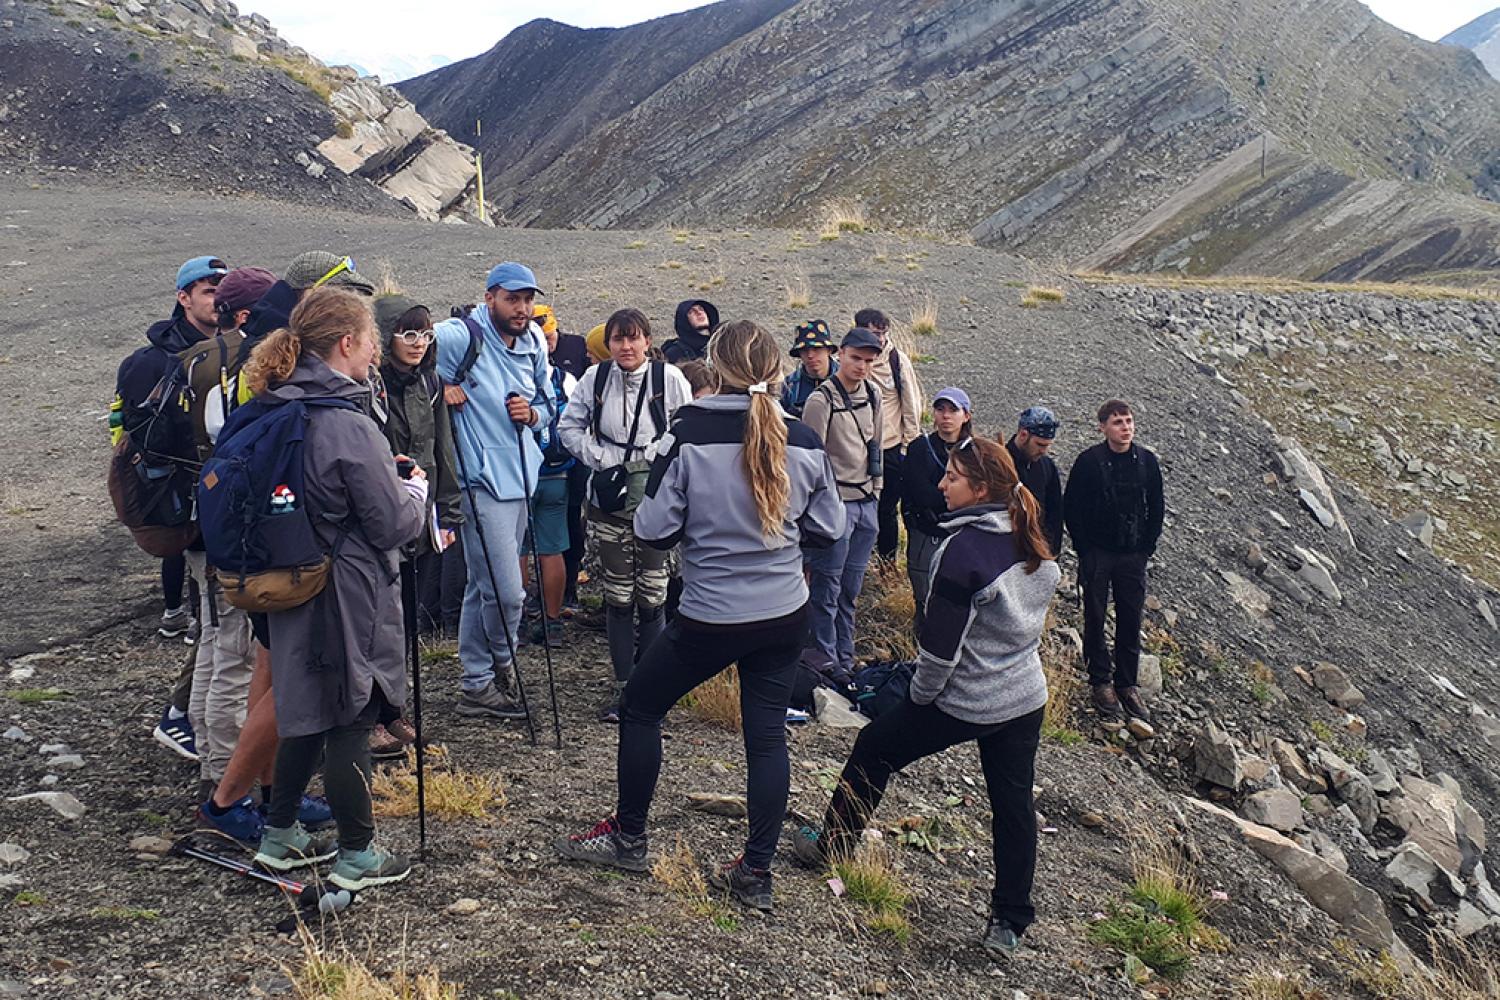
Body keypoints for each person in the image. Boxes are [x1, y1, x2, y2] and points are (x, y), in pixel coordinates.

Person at [555, 320, 845, 912]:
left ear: (715, 368)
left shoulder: (687, 432)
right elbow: (830, 528)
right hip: (783, 612)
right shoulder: (804, 440)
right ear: (775, 369)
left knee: (640, 707)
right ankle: (756, 873)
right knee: (766, 739)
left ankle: (630, 837)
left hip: (711, 613)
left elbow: (653, 528)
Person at [791, 437, 1058, 958]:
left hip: (968, 699)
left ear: (979, 489)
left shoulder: (963, 551)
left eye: (952, 478)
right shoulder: (1030, 532)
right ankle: (1009, 922)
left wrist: (918, 697)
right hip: (1025, 695)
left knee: (875, 747)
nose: (941, 484)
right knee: (1013, 805)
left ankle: (832, 845)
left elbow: (939, 650)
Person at [240, 287, 426, 887]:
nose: (376, 351)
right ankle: (357, 854)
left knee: (306, 705)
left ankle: (280, 832)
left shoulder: (278, 402)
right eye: (372, 339)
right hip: (348, 587)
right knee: (352, 711)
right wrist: (416, 493)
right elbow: (391, 523)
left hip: (291, 579)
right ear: (347, 342)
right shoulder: (345, 420)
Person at [113, 254, 229, 759]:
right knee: (214, 620)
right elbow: (148, 442)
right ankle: (183, 717)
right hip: (189, 506)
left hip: (216, 500)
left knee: (214, 618)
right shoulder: (151, 363)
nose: (216, 299)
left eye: (222, 290)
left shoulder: (227, 351)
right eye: (207, 290)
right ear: (183, 297)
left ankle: (193, 717)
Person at [433, 263, 555, 720]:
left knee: (484, 587)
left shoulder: (535, 341)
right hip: (478, 480)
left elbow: (549, 402)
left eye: (527, 299)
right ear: (489, 298)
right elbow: (404, 345)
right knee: (508, 593)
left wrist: (534, 416)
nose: (522, 308)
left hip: (522, 475)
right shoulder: (460, 336)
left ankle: (476, 684)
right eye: (512, 299)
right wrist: (441, 384)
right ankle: (504, 663)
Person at [558, 309, 692, 722]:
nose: (626, 347)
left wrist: (654, 460)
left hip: (655, 501)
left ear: (648, 341)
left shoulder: (669, 381)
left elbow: (686, 428)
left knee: (652, 597)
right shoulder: (594, 380)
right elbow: (568, 427)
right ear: (609, 344)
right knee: (618, 598)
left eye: (634, 339)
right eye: (618, 339)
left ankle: (648, 689)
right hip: (608, 503)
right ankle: (623, 686)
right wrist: (600, 458)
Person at [371, 293, 463, 757]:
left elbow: (443, 450)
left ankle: (393, 710)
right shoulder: (371, 387)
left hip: (423, 513)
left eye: (425, 334)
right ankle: (370, 716)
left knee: (407, 617)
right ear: (385, 337)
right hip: (382, 514)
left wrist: (449, 511)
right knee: (378, 620)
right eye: (408, 333)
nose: (419, 342)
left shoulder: (430, 381)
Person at [1063, 400, 1164, 728]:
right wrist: (1084, 548)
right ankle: (1100, 681)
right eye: (1118, 422)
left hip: (1132, 554)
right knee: (1094, 615)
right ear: (1102, 427)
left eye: (1129, 421)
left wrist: (1146, 548)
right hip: (1098, 553)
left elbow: (1157, 507)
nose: (1126, 427)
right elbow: (1071, 506)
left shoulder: (1147, 462)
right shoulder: (1089, 462)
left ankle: (1127, 683)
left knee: (1131, 618)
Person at [801, 328, 884, 677]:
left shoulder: (874, 395)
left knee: (850, 590)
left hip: (866, 502)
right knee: (826, 589)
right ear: (841, 354)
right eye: (855, 358)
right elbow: (810, 460)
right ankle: (825, 662)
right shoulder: (821, 401)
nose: (861, 366)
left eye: (868, 360)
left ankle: (844, 659)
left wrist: (877, 490)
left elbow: (876, 445)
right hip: (836, 506)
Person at [526, 318, 580, 648]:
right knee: (553, 548)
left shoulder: (509, 376)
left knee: (518, 549)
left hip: (518, 474)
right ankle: (553, 622)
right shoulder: (563, 378)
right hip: (557, 472)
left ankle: (516, 620)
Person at [854, 308, 923, 564]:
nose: (881, 340)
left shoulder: (897, 360)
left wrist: (909, 446)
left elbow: (911, 404)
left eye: (883, 333)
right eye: (875, 333)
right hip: (856, 448)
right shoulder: (850, 358)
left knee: (886, 511)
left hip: (890, 447)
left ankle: (887, 565)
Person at [902, 387, 974, 631]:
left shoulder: (976, 452)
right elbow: (919, 492)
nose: (945, 416)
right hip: (927, 533)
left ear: (966, 415)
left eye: (953, 410)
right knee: (924, 594)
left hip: (964, 536)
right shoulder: (919, 448)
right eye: (940, 409)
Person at [1006, 406, 1064, 559]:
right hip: (1006, 548)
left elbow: (1055, 512)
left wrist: (1052, 552)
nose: (1044, 451)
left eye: (1048, 445)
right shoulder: (1000, 462)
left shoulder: (1047, 466)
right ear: (1023, 435)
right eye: (1040, 445)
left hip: (1038, 550)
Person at [780, 319, 838, 419]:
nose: (810, 355)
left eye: (816, 349)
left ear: (829, 350)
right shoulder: (789, 386)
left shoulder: (846, 379)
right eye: (804, 350)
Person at [661, 299, 720, 364]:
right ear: (684, 320)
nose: (699, 313)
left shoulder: (721, 345)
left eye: (701, 309)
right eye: (691, 312)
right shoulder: (675, 352)